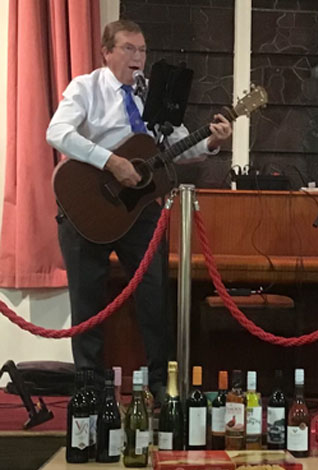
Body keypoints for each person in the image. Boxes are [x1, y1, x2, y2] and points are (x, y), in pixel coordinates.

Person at [46, 20, 231, 397]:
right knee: (87, 303)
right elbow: (58, 132)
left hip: (138, 212)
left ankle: (161, 385)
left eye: (142, 50)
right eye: (129, 49)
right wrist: (111, 162)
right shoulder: (87, 88)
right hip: (87, 209)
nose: (137, 58)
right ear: (107, 52)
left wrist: (211, 141)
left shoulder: (151, 96)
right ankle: (91, 392)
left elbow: (178, 146)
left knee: (155, 298)